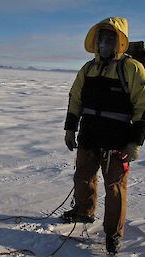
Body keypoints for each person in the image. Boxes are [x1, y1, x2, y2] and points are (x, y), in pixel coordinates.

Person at [63, 17, 145, 254]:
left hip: (117, 139)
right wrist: (70, 128)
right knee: (83, 177)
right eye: (102, 38)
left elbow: (142, 106)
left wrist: (134, 142)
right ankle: (84, 212)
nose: (105, 43)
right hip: (89, 134)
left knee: (115, 188)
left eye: (110, 38)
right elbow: (75, 98)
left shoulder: (131, 68)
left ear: (120, 41)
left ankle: (112, 233)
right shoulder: (88, 69)